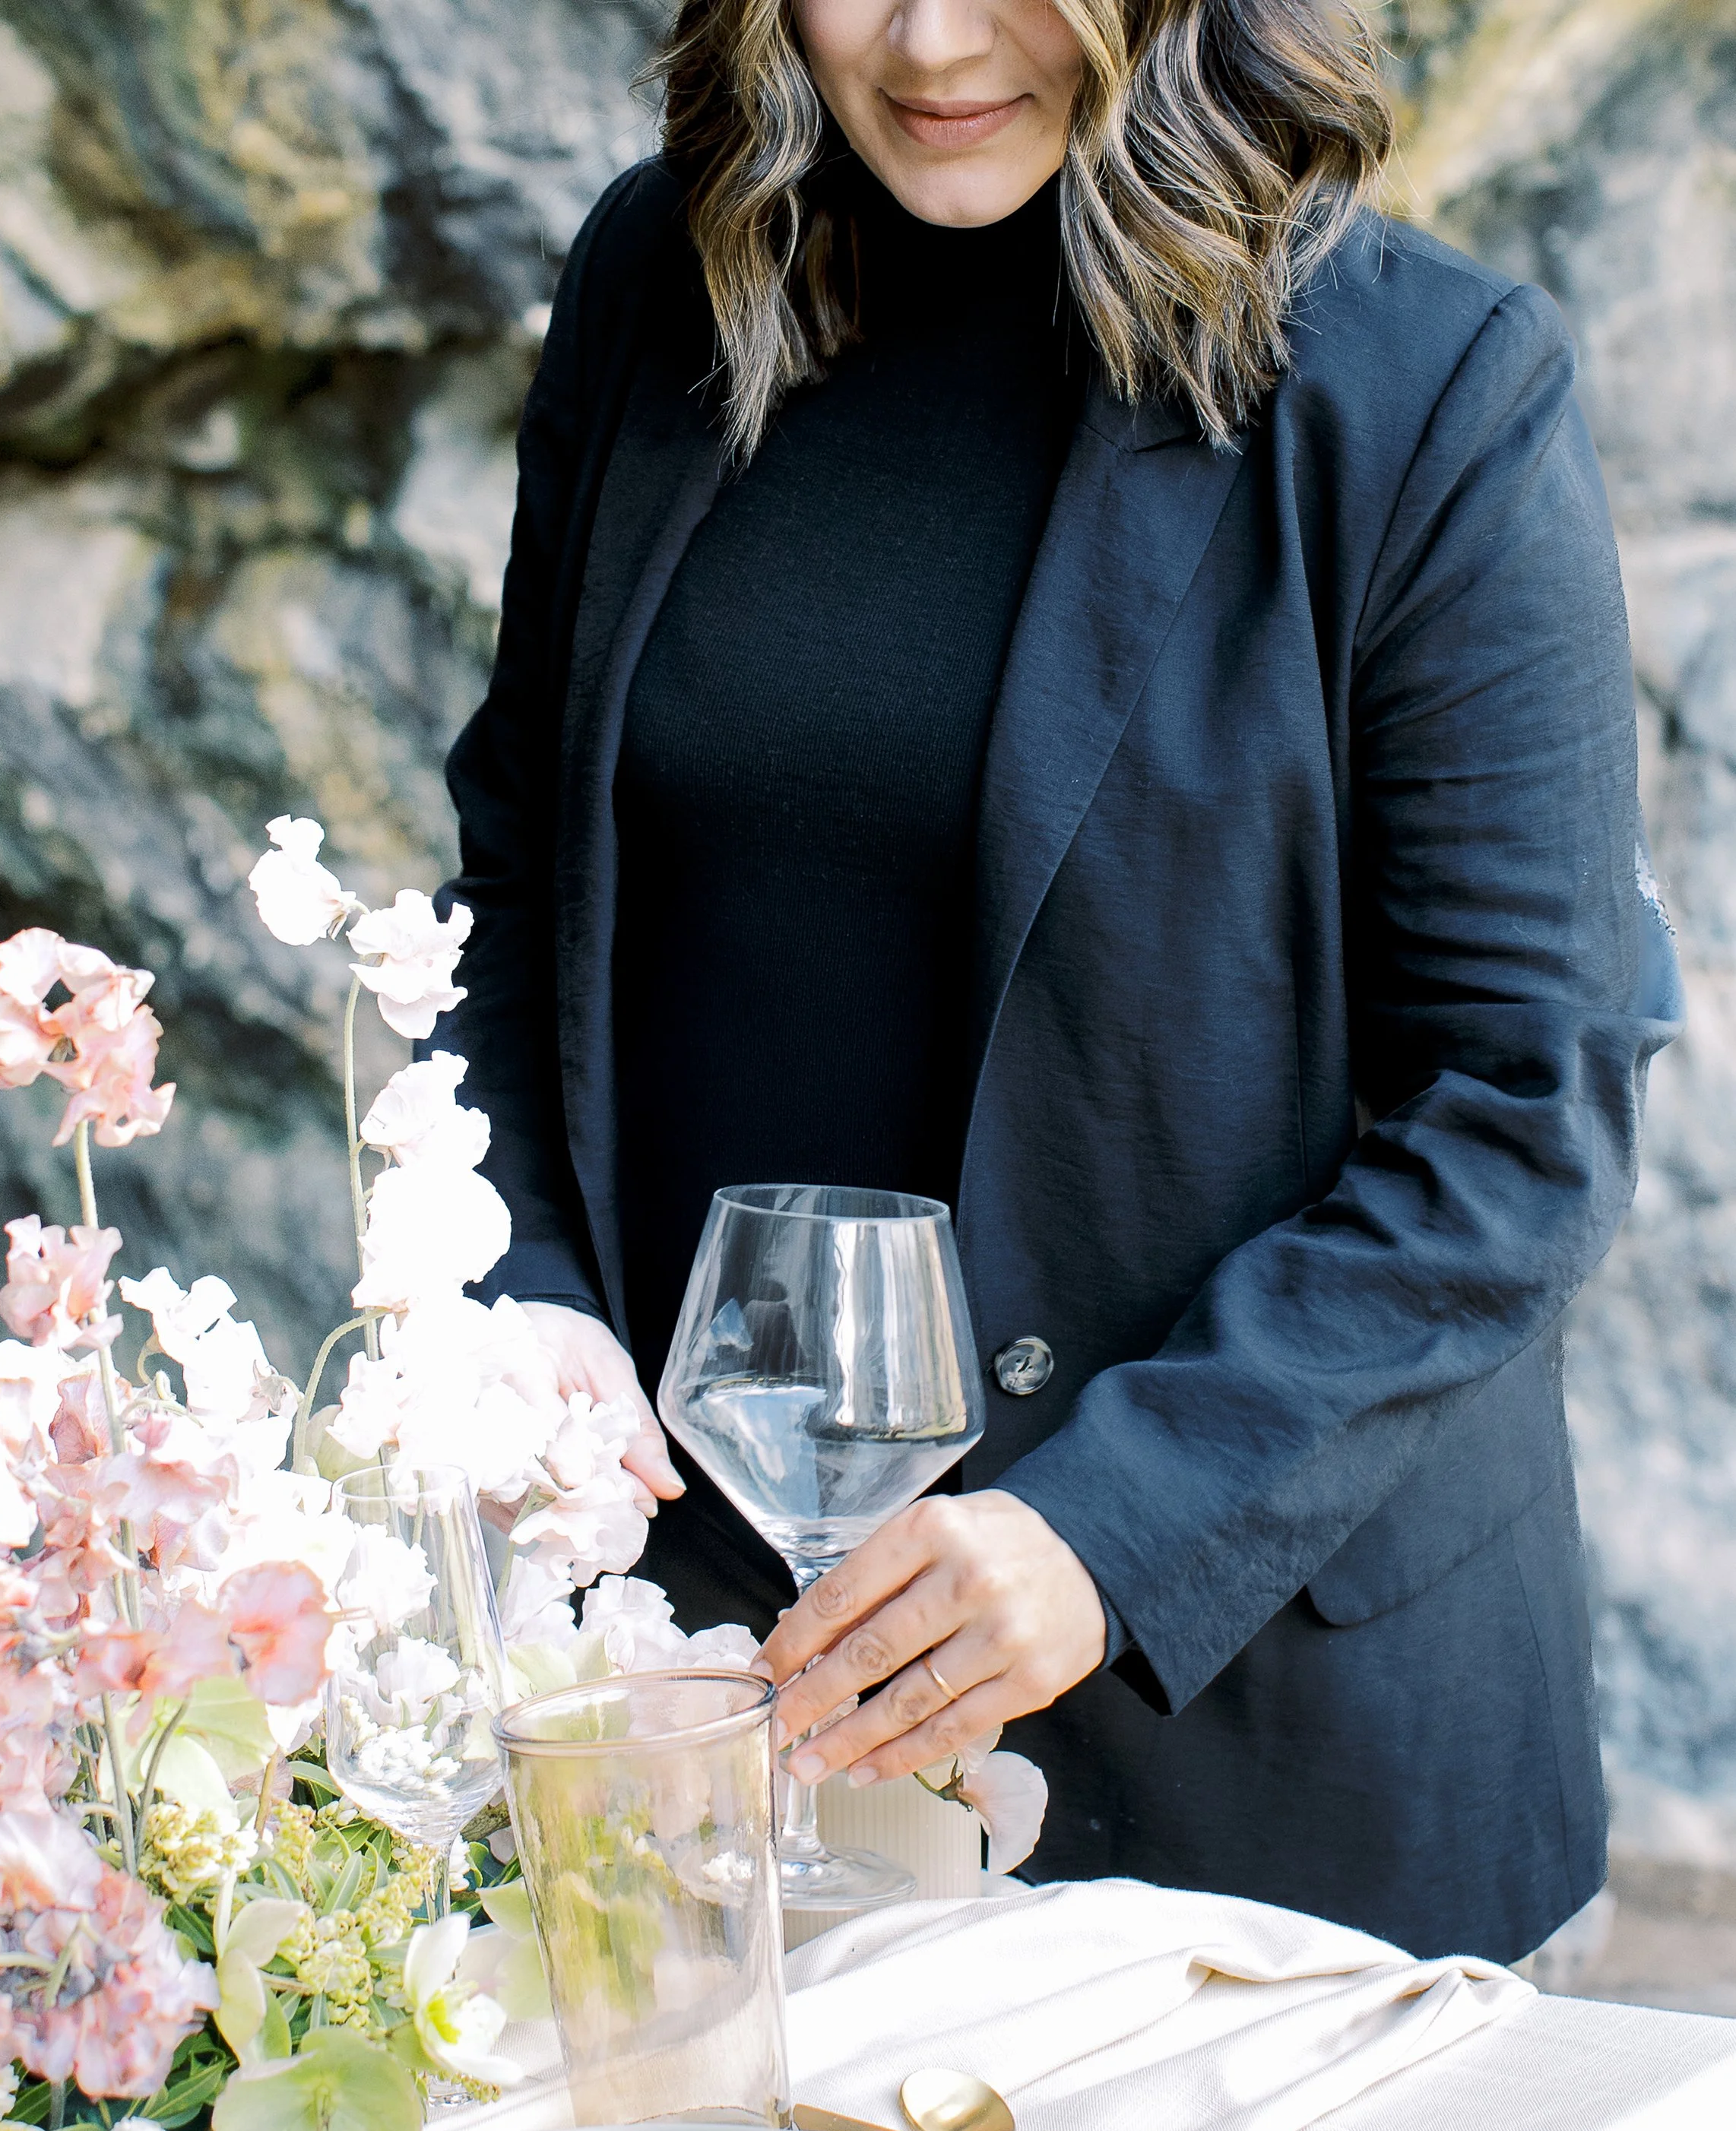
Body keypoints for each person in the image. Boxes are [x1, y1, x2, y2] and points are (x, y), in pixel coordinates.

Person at [434, 0, 1680, 1962]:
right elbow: (515, 881)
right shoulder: (649, 286)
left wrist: (1108, 1531)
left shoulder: (1428, 385)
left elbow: (1523, 1111)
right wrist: (518, 1294)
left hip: (1264, 1758)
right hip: (710, 1702)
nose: (932, 42)